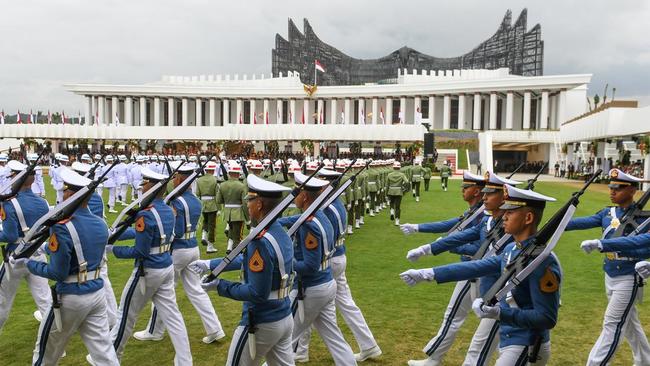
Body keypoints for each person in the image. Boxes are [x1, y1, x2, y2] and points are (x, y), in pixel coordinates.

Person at [401, 184, 560, 365]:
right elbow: (475, 267)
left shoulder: (543, 261)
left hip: (527, 344)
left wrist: (500, 313)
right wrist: (427, 273)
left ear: (528, 218)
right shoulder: (511, 249)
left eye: (511, 212)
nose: (504, 217)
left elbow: (546, 317)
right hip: (510, 339)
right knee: (476, 348)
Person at [91, 167, 192, 365]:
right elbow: (143, 233)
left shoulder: (145, 215)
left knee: (125, 316)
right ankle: (185, 361)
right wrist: (113, 236)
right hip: (165, 265)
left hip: (148, 270)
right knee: (174, 317)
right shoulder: (167, 209)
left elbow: (140, 251)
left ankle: (109, 357)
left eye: (144, 184)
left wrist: (112, 250)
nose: (141, 188)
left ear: (151, 188)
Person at [193, 174, 296, 365]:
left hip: (261, 320)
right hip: (283, 315)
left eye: (250, 200)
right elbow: (246, 259)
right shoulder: (278, 232)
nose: (247, 204)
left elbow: (257, 292)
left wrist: (220, 285)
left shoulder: (260, 241)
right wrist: (210, 264)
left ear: (259, 205)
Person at [26, 168, 119, 365]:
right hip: (96, 293)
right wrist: (46, 248)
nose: (62, 194)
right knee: (104, 354)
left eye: (65, 191)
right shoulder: (100, 223)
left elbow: (57, 272)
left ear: (70, 194)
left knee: (45, 354)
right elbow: (80, 249)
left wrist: (29, 264)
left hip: (70, 297)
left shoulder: (61, 227)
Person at [294, 168, 382, 363]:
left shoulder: (326, 207)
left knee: (308, 304)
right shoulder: (335, 203)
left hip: (329, 261)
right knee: (343, 305)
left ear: (326, 184)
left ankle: (301, 350)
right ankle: (368, 344)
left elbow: (322, 242)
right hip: (337, 258)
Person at [400, 171, 486, 366]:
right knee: (469, 319)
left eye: (466, 187)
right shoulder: (476, 211)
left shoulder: (482, 215)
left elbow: (479, 248)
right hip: (472, 268)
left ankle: (434, 358)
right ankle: (434, 357)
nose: (462, 190)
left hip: (473, 270)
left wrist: (451, 246)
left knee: (460, 317)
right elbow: (453, 225)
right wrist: (418, 227)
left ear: (477, 191)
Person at [134, 163, 225, 344]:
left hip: (178, 249)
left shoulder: (175, 201)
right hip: (192, 248)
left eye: (175, 177)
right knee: (197, 291)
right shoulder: (195, 201)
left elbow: (174, 231)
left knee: (163, 291)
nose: (173, 180)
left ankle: (154, 331)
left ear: (180, 179)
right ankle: (215, 329)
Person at [566, 168, 650, 365]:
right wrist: (559, 222)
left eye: (618, 188)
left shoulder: (645, 219)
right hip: (610, 274)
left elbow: (638, 243)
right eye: (611, 187)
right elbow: (580, 223)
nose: (612, 191)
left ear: (632, 190)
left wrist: (603, 244)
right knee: (630, 324)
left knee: (612, 324)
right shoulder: (608, 212)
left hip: (629, 277)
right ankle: (645, 360)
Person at [278, 171, 358, 365]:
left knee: (283, 340)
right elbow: (293, 221)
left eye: (297, 193)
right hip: (325, 285)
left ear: (304, 196)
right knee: (334, 337)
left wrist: (283, 264)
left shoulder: (310, 225)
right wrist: (272, 223)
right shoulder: (319, 216)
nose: (294, 197)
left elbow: (310, 266)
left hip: (309, 289)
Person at [0, 160, 51, 329]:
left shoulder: (9, 203)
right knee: (45, 301)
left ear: (16, 178)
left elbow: (10, 235)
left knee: (2, 301)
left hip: (15, 257)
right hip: (37, 255)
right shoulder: (42, 202)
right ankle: (54, 340)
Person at [218, 161, 248, 254]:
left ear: (229, 173)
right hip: (238, 212)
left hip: (227, 212)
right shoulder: (242, 186)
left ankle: (229, 248)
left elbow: (219, 200)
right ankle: (236, 250)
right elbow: (244, 203)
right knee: (238, 234)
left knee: (231, 230)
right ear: (238, 173)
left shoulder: (223, 185)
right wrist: (248, 218)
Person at [197, 161, 220, 254]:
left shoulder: (199, 180)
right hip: (212, 204)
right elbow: (217, 195)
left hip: (202, 203)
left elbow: (197, 194)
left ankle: (203, 236)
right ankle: (210, 246)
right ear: (213, 169)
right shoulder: (215, 180)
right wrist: (219, 208)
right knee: (212, 225)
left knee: (205, 221)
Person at [386, 161, 410, 226]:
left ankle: (391, 212)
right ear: (399, 167)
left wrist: (386, 193)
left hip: (391, 190)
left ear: (393, 167)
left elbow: (387, 185)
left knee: (391, 203)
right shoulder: (402, 175)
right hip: (399, 191)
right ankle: (397, 221)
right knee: (398, 207)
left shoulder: (389, 175)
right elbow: (407, 182)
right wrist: (405, 189)